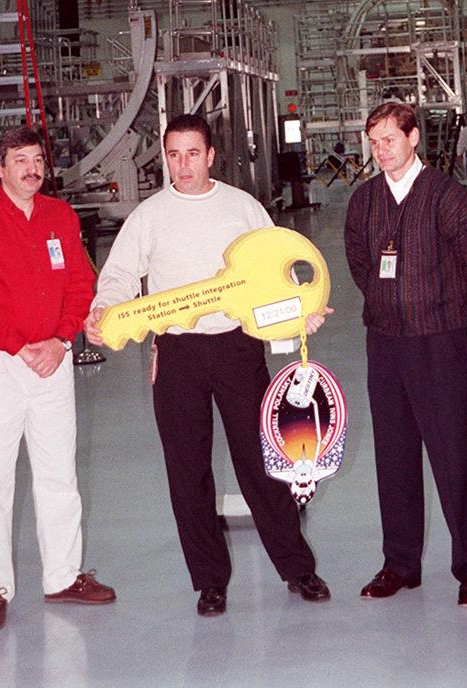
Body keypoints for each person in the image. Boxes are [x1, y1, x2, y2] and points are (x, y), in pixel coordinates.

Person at [85, 114, 330, 617]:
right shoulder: (148, 216)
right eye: (173, 155)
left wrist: (296, 322)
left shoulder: (243, 209)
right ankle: (209, 580)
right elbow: (120, 277)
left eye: (192, 153)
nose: (183, 165)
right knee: (187, 470)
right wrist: (103, 310)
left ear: (211, 155)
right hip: (177, 354)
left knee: (263, 464)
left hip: (238, 348)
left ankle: (296, 566)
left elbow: (276, 277)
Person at [0, 127, 115, 632]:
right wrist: (21, 346)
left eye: (37, 159)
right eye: (20, 160)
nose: (32, 168)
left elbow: (82, 283)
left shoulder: (60, 217)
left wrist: (62, 341)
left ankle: (63, 576)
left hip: (52, 361)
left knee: (59, 472)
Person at [344, 101, 467, 607]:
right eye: (373, 141)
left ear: (414, 138)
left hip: (438, 344)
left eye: (389, 139)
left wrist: (449, 315)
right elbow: (360, 263)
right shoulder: (364, 201)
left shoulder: (446, 197)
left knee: (455, 454)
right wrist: (388, 306)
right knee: (393, 456)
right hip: (384, 344)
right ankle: (400, 563)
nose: (380, 150)